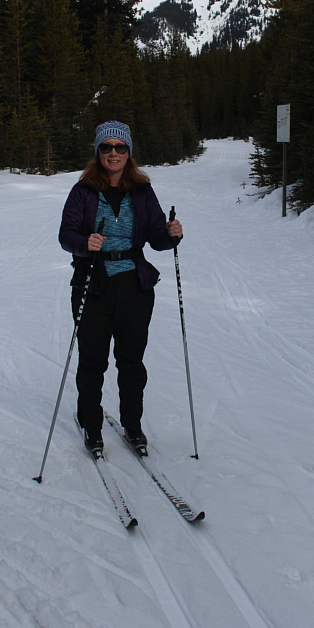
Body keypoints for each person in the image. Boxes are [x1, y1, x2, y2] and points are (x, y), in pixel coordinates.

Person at [58, 121, 183, 455]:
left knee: (131, 361)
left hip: (134, 286)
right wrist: (84, 243)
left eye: (120, 147)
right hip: (93, 284)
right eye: (106, 147)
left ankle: (132, 424)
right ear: (98, 152)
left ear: (129, 153)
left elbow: (156, 237)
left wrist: (171, 234)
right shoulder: (83, 191)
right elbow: (66, 235)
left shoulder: (142, 191)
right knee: (92, 361)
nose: (113, 153)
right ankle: (91, 425)